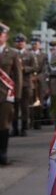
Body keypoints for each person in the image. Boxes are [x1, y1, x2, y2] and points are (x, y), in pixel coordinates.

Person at [0, 23, 22, 165]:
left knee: (3, 124)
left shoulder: (13, 53)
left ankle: (3, 153)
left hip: (5, 94)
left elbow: (18, 75)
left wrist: (18, 95)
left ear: (5, 36)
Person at [13, 34, 34, 137]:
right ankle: (14, 128)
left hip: (26, 84)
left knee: (24, 107)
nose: (20, 43)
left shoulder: (29, 54)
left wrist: (24, 69)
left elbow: (35, 67)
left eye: (21, 41)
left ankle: (24, 128)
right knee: (14, 107)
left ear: (25, 43)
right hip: (14, 84)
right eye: (18, 41)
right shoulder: (12, 54)